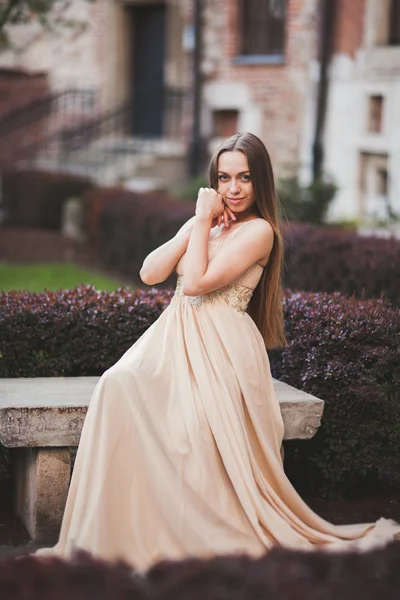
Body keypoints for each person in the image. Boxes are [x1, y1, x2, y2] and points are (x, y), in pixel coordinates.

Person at [36, 133, 400, 570]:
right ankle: (128, 524)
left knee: (191, 429)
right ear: (214, 181)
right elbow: (151, 273)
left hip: (222, 345)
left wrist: (202, 226)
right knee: (117, 385)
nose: (233, 188)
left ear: (259, 181)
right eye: (224, 177)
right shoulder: (204, 222)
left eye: (244, 177)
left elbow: (196, 283)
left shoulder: (260, 231)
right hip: (173, 336)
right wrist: (198, 224)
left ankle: (193, 528)